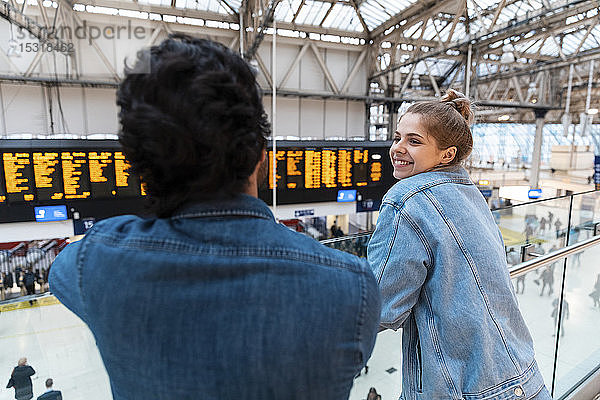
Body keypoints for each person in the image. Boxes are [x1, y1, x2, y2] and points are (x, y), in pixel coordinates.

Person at [49, 35, 380, 400]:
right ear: (261, 158)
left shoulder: (94, 262)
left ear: (138, 170)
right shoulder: (353, 287)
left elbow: (60, 272)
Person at [367, 90, 551, 400]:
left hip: (466, 389)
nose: (397, 148)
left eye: (414, 141)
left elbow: (380, 306)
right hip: (524, 377)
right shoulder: (469, 192)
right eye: (398, 137)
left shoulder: (407, 199)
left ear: (447, 155)